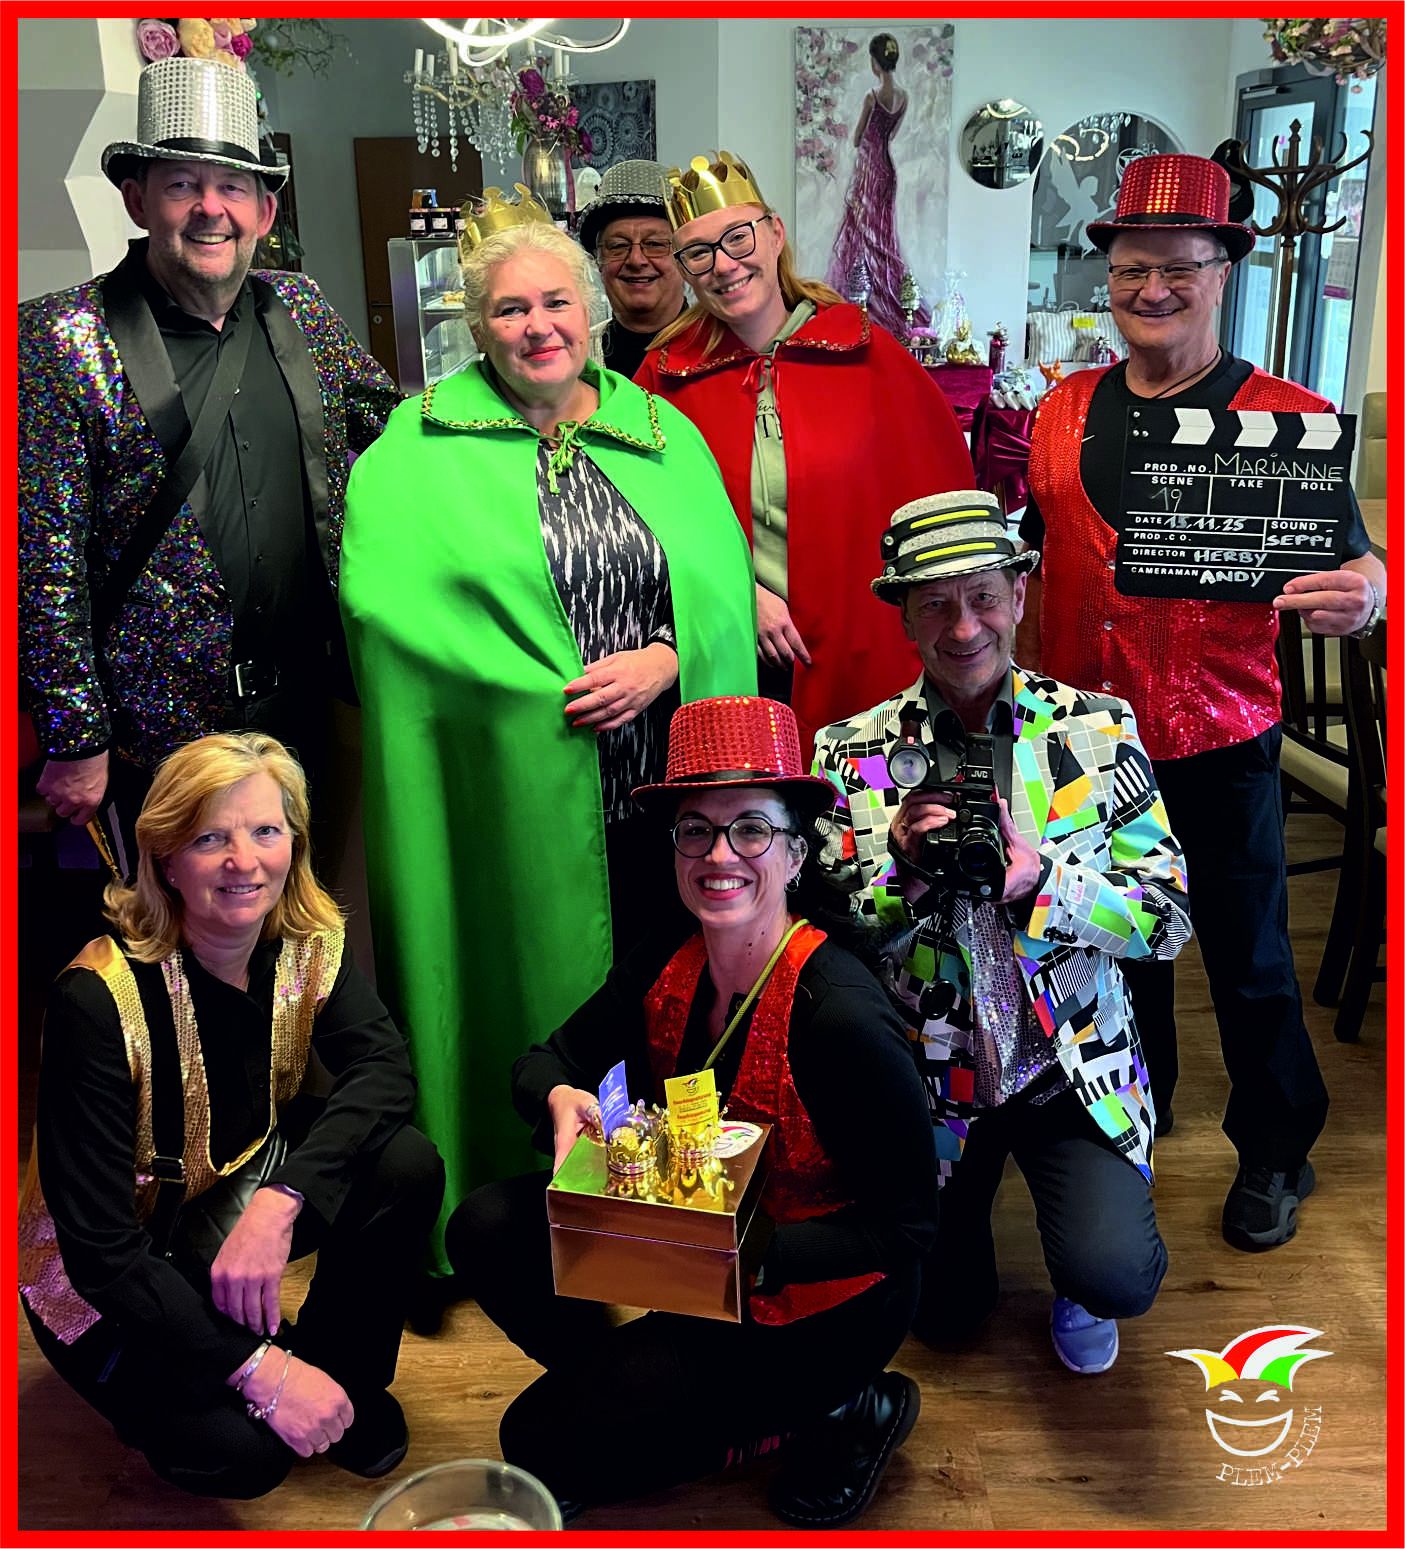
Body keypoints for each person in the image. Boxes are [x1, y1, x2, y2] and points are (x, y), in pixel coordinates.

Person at [340, 190, 756, 1257]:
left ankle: (668, 1214)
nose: (539, 327)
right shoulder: (414, 446)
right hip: (510, 787)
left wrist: (666, 659)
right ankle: (533, 1215)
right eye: (511, 309)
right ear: (477, 327)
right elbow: (385, 607)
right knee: (538, 1003)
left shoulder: (658, 433)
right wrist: (533, 692)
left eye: (557, 303)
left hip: (662, 787)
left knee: (669, 997)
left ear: (590, 309)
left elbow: (717, 585)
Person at [446, 695, 938, 1527]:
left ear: (794, 852)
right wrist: (561, 1096)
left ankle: (840, 1407)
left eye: (750, 829)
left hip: (816, 1302)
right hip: (687, 1250)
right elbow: (543, 1061)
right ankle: (634, 1385)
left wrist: (746, 1252)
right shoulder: (667, 952)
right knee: (485, 1227)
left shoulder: (838, 1013)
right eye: (695, 830)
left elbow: (908, 1229)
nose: (719, 854)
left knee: (533, 1443)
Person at [1020, 153, 1386, 1252]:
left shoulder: (1287, 420)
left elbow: (1357, 562)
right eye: (1132, 269)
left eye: (1178, 267)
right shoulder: (1060, 407)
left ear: (1221, 272)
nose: (1153, 289)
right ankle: (1140, 1099)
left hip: (1219, 734)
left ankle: (1276, 1148)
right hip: (1085, 738)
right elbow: (1037, 545)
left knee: (1248, 958)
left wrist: (1368, 591)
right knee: (1111, 939)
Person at [813, 491, 1191, 1373]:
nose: (963, 626)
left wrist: (1043, 882)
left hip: (1069, 1065)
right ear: (903, 615)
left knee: (1112, 1272)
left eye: (983, 595)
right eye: (935, 603)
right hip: (932, 1077)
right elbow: (828, 950)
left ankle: (1082, 1274)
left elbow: (1168, 919)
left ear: (1019, 595)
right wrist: (901, 881)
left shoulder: (1096, 729)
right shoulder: (848, 752)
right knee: (945, 1316)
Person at [17, 733, 444, 1498]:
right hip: (104, 1277)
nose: (244, 862)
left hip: (225, 1192)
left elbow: (383, 1071)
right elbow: (102, 1255)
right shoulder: (94, 999)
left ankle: (340, 1377)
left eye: (265, 830)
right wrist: (260, 1370)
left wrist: (283, 1201)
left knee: (402, 1162)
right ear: (165, 859)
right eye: (210, 838)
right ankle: (240, 1376)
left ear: (294, 842)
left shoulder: (304, 939)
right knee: (245, 1455)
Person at [18, 56, 398, 872]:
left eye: (232, 186)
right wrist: (76, 735)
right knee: (182, 933)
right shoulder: (58, 338)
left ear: (264, 210)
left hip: (306, 703)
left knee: (303, 909)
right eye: (183, 184)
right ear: (138, 200)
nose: (210, 208)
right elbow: (41, 560)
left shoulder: (301, 308)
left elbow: (398, 435)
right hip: (158, 733)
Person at [636, 149, 974, 752]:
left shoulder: (869, 355)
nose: (723, 265)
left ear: (774, 233)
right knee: (753, 799)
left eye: (737, 238)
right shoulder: (663, 380)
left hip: (858, 641)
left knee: (862, 791)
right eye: (698, 253)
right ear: (684, 270)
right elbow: (644, 526)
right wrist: (741, 594)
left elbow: (939, 502)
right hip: (730, 647)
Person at [824, 33, 930, 339]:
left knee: (862, 233)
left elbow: (857, 138)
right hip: (887, 168)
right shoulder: (903, 98)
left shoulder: (872, 97)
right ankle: (885, 301)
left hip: (870, 169)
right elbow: (891, 135)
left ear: (875, 63)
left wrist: (868, 133)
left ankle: (864, 304)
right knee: (882, 234)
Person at [576, 159, 688, 379]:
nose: (636, 260)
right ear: (598, 260)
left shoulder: (726, 350)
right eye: (618, 246)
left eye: (655, 244)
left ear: (685, 257)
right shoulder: (572, 358)